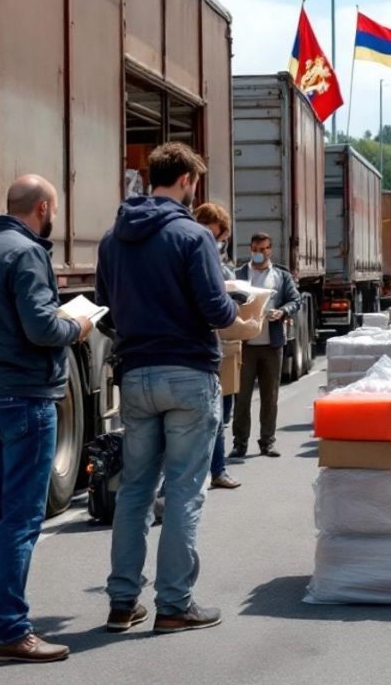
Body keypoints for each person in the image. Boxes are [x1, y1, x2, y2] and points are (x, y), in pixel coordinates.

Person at [96, 142, 243, 634]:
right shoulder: (192, 236)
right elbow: (217, 311)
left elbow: (104, 312)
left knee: (135, 489)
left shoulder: (112, 239)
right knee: (184, 490)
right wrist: (236, 307)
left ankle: (122, 602)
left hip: (135, 373)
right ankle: (175, 604)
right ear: (186, 182)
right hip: (188, 372)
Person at [0, 174, 93, 664]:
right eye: (52, 208)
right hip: (28, 396)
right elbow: (40, 327)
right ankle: (11, 630)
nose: (53, 216)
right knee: (21, 519)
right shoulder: (28, 252)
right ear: (41, 207)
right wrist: (76, 325)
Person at [229, 232, 301, 459]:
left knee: (270, 397)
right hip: (245, 345)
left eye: (263, 249)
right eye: (255, 249)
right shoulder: (239, 274)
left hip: (272, 345)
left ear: (270, 250)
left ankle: (267, 442)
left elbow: (295, 300)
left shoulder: (280, 276)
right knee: (242, 398)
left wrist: (283, 311)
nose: (259, 254)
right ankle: (239, 444)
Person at [193, 202, 240, 490]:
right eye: (221, 238)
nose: (221, 245)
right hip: (203, 350)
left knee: (220, 413)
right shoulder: (201, 255)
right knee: (215, 415)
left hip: (216, 347)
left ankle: (217, 469)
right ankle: (214, 470)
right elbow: (218, 309)